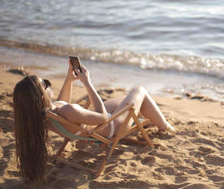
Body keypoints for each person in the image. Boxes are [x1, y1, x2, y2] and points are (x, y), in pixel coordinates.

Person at [13, 60, 174, 184]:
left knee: (125, 100)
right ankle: (165, 127)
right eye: (45, 84)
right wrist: (87, 82)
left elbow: (61, 103)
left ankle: (148, 121)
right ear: (42, 97)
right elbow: (103, 116)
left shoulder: (43, 116)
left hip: (91, 124)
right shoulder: (68, 112)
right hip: (109, 126)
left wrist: (69, 80)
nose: (49, 85)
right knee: (140, 91)